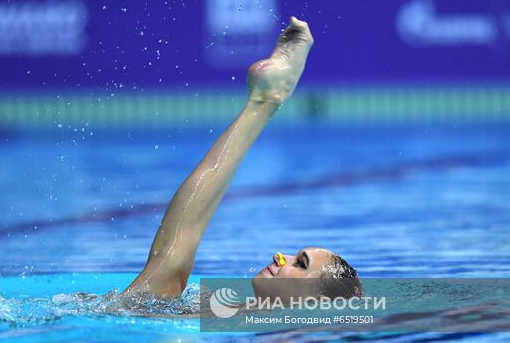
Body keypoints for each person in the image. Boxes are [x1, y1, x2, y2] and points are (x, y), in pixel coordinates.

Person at [122, 16, 361, 301]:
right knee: (168, 262)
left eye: (300, 264)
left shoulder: (259, 326)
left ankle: (263, 103)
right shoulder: (233, 315)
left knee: (169, 264)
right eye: (297, 256)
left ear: (314, 300)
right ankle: (262, 103)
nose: (280, 256)